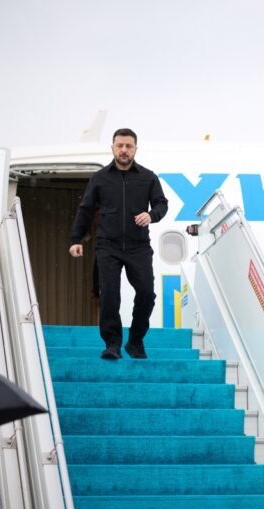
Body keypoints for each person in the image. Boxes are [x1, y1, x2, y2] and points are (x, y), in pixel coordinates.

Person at [69, 128, 168, 359]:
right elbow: (85, 209)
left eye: (128, 146)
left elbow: (161, 204)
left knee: (147, 294)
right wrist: (76, 239)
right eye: (120, 145)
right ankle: (112, 344)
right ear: (112, 148)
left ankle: (135, 341)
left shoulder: (148, 177)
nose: (124, 150)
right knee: (109, 295)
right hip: (108, 245)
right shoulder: (99, 178)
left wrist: (151, 215)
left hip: (138, 246)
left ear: (135, 149)